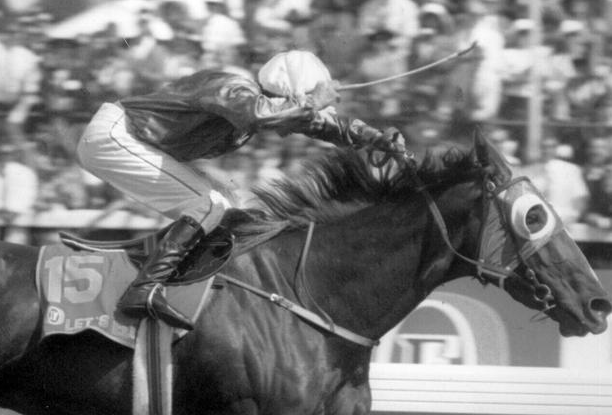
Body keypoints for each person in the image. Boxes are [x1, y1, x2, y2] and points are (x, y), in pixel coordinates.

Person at [77, 49, 406, 329]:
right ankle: (144, 288)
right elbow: (261, 115)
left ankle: (163, 277)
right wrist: (315, 100)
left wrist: (374, 137)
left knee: (231, 206)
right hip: (116, 135)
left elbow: (317, 124)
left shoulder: (268, 104)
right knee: (209, 204)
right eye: (300, 107)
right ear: (287, 95)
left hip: (133, 141)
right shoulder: (233, 88)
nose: (291, 133)